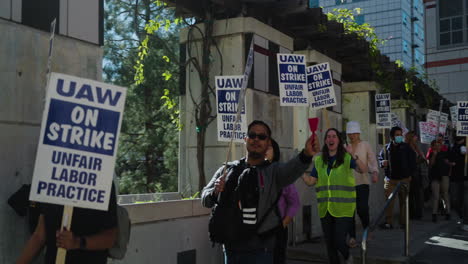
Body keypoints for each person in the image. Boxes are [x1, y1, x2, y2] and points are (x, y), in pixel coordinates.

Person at [201, 120, 319, 264]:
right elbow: (205, 198)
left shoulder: (274, 172)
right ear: (245, 139)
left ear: (268, 143)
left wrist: (306, 154)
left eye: (262, 137)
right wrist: (214, 192)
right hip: (231, 250)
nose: (256, 139)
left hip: (260, 251)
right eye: (252, 135)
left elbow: (292, 168)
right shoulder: (228, 169)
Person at [302, 128, 368, 264]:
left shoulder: (346, 158)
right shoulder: (319, 160)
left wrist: (353, 154)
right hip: (325, 208)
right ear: (325, 141)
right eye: (328, 137)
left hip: (344, 208)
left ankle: (347, 256)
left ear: (338, 140)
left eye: (334, 136)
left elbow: (363, 169)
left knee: (338, 240)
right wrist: (299, 170)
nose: (331, 139)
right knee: (330, 245)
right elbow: (310, 182)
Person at [16, 186, 118, 264]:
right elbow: (39, 236)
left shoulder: (103, 183)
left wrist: (77, 242)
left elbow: (110, 238)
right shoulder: (50, 182)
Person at [344, 121, 378, 248]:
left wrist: (374, 172)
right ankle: (352, 236)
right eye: (349, 133)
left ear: (358, 133)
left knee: (362, 208)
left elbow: (372, 161)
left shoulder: (365, 145)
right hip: (347, 184)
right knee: (349, 211)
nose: (352, 136)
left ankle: (366, 229)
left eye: (354, 133)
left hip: (362, 182)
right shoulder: (344, 146)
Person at [266, 139, 300, 264]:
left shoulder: (281, 173)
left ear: (275, 152)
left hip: (277, 228)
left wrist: (284, 223)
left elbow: (294, 202)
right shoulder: (250, 172)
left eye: (268, 147)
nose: (264, 150)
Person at [378, 126, 416, 229]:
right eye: (397, 135)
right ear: (392, 137)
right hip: (390, 180)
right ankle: (388, 222)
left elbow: (413, 161)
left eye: (400, 135)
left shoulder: (406, 147)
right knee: (389, 202)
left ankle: (403, 222)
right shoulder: (386, 148)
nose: (399, 137)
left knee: (404, 202)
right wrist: (382, 162)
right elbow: (380, 158)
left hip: (404, 179)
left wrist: (410, 175)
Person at [428, 139, 453, 222]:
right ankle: (434, 214)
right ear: (432, 146)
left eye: (438, 145)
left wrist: (449, 171)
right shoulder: (431, 154)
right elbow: (431, 164)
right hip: (435, 177)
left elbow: (450, 164)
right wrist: (434, 155)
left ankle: (448, 213)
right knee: (436, 196)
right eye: (435, 145)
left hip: (444, 176)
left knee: (445, 194)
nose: (437, 147)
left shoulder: (445, 154)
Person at [405, 131, 427, 220]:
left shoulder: (416, 147)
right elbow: (410, 161)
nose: (416, 138)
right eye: (415, 137)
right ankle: (411, 213)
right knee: (411, 194)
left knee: (417, 193)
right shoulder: (406, 147)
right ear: (411, 137)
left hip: (417, 171)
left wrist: (423, 159)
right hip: (411, 172)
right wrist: (419, 160)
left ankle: (418, 213)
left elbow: (420, 157)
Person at [449, 137, 466, 222]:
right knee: (454, 199)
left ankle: (463, 216)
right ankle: (461, 215)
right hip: (454, 176)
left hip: (462, 177)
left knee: (461, 199)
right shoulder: (453, 147)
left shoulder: (464, 147)